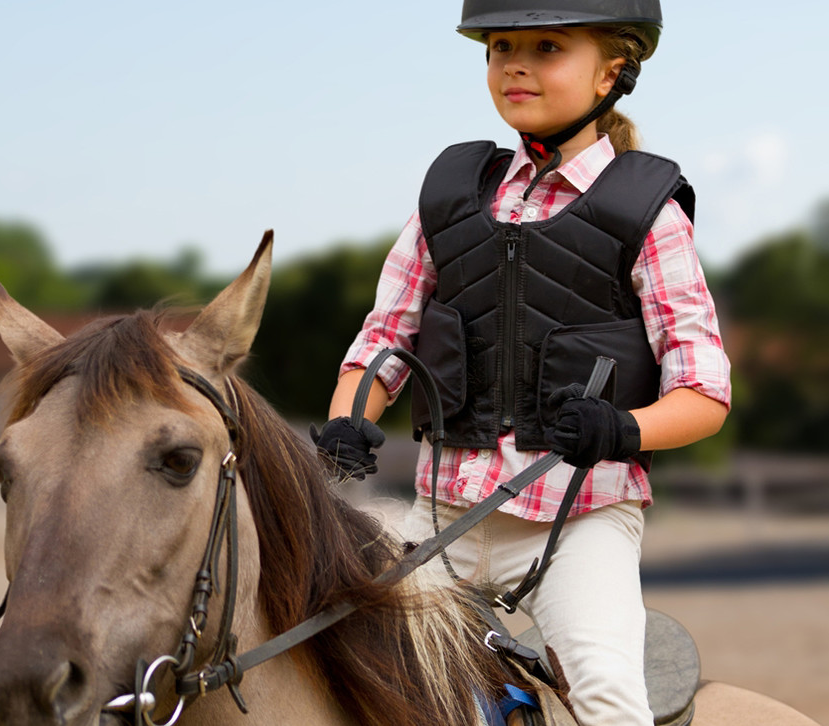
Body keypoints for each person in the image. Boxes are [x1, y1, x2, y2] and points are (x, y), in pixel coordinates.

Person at [313, 1, 731, 723]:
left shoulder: (647, 214)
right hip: (440, 518)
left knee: (605, 692)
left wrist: (622, 430)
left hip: (575, 526)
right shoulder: (447, 200)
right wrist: (348, 421)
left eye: (546, 47)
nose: (515, 63)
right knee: (320, 657)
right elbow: (383, 339)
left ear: (613, 72)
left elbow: (703, 391)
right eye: (501, 45)